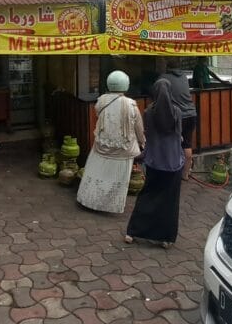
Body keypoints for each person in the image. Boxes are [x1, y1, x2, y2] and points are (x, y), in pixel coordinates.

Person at [125, 79, 184, 249]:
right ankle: (166, 238)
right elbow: (179, 135)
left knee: (147, 196)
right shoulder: (177, 112)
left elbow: (149, 135)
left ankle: (133, 232)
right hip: (173, 162)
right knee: (170, 201)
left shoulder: (149, 112)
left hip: (154, 161)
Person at [77, 71, 145, 213]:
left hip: (102, 145)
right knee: (118, 180)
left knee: (97, 174)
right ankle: (111, 204)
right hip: (123, 148)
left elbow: (98, 114)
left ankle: (89, 199)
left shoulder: (101, 100)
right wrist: (142, 141)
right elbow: (138, 127)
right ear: (126, 84)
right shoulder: (131, 104)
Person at [157, 59, 197, 181]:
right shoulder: (184, 76)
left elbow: (158, 92)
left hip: (177, 116)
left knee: (171, 142)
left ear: (167, 67)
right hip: (191, 113)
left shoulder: (163, 78)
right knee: (187, 144)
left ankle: (170, 173)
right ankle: (185, 174)